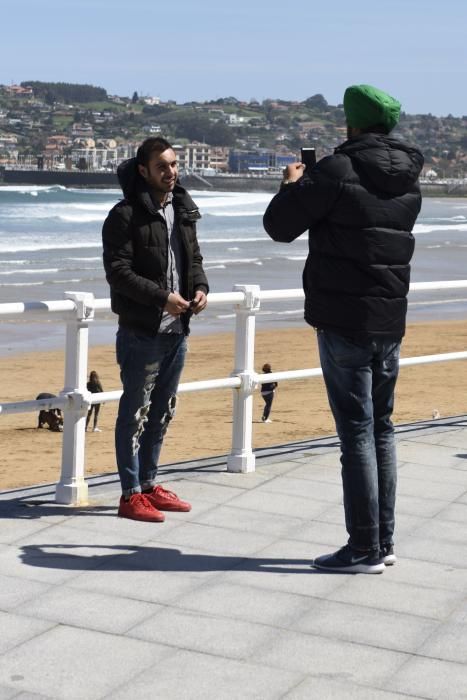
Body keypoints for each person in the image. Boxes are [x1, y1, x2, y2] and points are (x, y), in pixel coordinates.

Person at [264, 84, 424, 573]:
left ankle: (362, 548)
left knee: (356, 432)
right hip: (388, 318)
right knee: (381, 429)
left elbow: (279, 226)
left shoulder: (336, 169)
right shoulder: (410, 178)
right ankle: (384, 541)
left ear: (350, 123)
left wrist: (294, 184)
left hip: (343, 319)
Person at [102, 137, 209, 522]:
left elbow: (192, 258)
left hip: (177, 330)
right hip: (141, 331)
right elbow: (118, 272)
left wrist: (200, 288)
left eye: (175, 164)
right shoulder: (125, 215)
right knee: (135, 413)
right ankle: (130, 494)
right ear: (143, 169)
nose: (171, 172)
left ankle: (149, 484)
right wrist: (161, 297)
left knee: (162, 411)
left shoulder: (181, 208)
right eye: (162, 166)